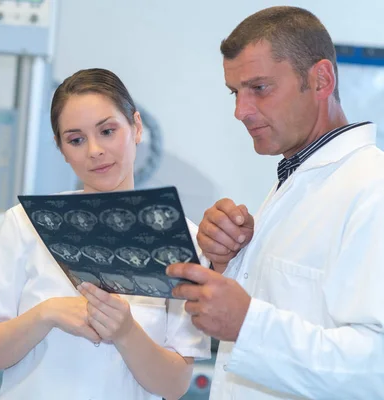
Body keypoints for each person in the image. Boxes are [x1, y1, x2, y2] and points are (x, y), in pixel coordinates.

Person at [165, 6, 384, 399]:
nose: (240, 111)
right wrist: (229, 259)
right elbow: (292, 305)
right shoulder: (299, 175)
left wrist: (247, 324)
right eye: (235, 92)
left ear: (321, 79)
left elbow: (376, 367)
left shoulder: (373, 189)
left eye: (259, 88)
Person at [0, 68, 210, 400]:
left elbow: (175, 385)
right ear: (61, 148)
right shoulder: (26, 224)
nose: (94, 150)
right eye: (76, 139)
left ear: (136, 127)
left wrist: (126, 332)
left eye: (107, 131)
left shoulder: (183, 240)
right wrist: (45, 314)